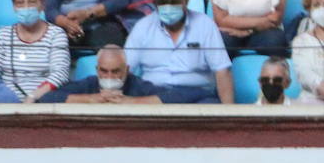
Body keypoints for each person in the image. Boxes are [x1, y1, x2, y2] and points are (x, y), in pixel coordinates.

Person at [124, 0, 234, 103]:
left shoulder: (205, 24)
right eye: (163, 1)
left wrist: (230, 115)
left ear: (185, 1)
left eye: (174, 1)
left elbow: (222, 70)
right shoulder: (143, 27)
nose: (168, 6)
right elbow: (125, 68)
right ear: (155, 3)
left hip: (196, 95)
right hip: (153, 93)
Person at [0, 0, 70, 102]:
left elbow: (60, 74)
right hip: (7, 102)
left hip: (44, 101)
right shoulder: (2, 35)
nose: (26, 7)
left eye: (32, 2)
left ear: (42, 5)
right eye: (20, 3)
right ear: (14, 7)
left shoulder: (56, 34)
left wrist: (33, 96)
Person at [37, 41, 201, 100]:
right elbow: (47, 98)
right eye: (104, 71)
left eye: (116, 71)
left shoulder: (137, 86)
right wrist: (92, 99)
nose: (109, 76)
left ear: (127, 69)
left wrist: (131, 102)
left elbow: (183, 95)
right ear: (97, 69)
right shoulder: (89, 85)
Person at [205, 0, 289, 57]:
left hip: (265, 30)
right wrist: (262, 21)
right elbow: (221, 20)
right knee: (219, 43)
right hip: (230, 31)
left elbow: (275, 18)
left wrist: (248, 31)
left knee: (275, 42)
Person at [45, 0, 130, 50]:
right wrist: (68, 24)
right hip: (64, 26)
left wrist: (87, 14)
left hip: (99, 24)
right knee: (50, 43)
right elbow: (49, 9)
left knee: (111, 45)